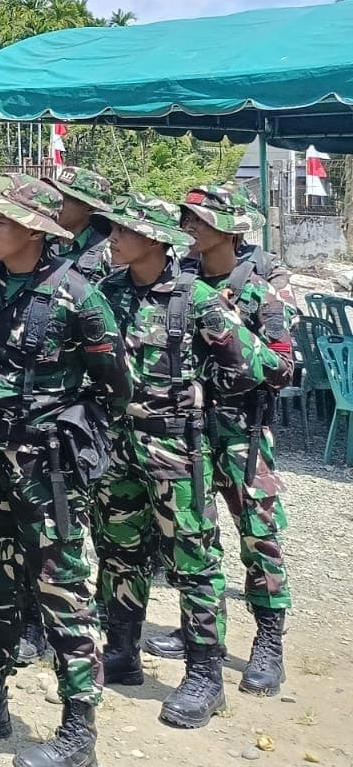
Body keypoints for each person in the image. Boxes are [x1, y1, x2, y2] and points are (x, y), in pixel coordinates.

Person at [0, 175, 130, 767]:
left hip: (47, 471)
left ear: (34, 230)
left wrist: (76, 445)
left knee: (62, 590)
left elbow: (115, 388)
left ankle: (79, 729)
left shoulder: (78, 296)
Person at [92, 193, 273, 730]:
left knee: (194, 560)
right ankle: (121, 649)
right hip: (119, 449)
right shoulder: (107, 293)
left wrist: (201, 391)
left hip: (176, 452)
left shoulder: (194, 299)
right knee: (118, 551)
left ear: (154, 240)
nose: (112, 238)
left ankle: (204, 675)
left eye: (123, 230)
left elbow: (255, 365)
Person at [139, 185, 296, 696]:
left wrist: (226, 354)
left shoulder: (259, 288)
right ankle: (199, 631)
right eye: (186, 217)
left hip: (241, 430)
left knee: (258, 531)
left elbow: (282, 367)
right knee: (192, 534)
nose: (189, 226)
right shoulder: (177, 280)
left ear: (230, 230)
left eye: (201, 220)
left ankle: (268, 639)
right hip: (186, 431)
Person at [50, 167, 115, 279]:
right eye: (56, 194)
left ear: (90, 208)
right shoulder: (39, 237)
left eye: (65, 198)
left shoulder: (110, 249)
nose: (56, 201)